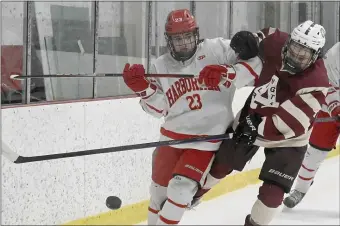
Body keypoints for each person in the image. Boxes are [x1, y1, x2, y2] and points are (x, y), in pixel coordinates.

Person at [122, 9, 262, 225]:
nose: (184, 43)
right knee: (158, 196)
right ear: (169, 41)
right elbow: (160, 110)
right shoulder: (161, 65)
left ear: (196, 35)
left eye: (187, 37)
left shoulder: (218, 49)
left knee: (180, 190)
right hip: (171, 138)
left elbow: (256, 66)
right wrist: (144, 90)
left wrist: (229, 72)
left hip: (207, 140)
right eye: (178, 39)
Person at [198, 20, 330, 225]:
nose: (295, 56)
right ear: (290, 42)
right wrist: (251, 40)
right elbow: (267, 34)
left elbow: (288, 124)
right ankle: (194, 195)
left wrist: (254, 126)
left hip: (288, 138)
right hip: (253, 114)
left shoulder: (317, 83)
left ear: (315, 56)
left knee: (272, 195)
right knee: (220, 165)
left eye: (303, 55)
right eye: (294, 48)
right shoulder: (278, 42)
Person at [283, 42, 340, 208]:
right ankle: (300, 189)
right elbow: (327, 84)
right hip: (329, 108)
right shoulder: (335, 54)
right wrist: (336, 108)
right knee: (314, 153)